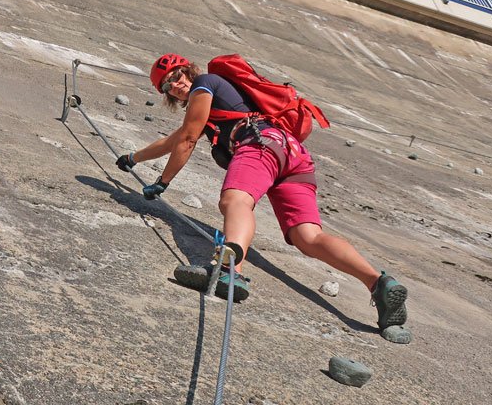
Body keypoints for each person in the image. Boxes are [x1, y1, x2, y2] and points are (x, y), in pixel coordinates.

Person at [116, 53, 410, 342]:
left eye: (177, 75)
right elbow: (175, 139)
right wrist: (133, 158)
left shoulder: (205, 82)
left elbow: (188, 138)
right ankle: (379, 282)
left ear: (189, 70)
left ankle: (230, 271)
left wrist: (163, 182)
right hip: (292, 154)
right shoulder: (209, 107)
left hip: (260, 143)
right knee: (308, 237)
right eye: (167, 86)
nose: (176, 85)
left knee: (235, 200)